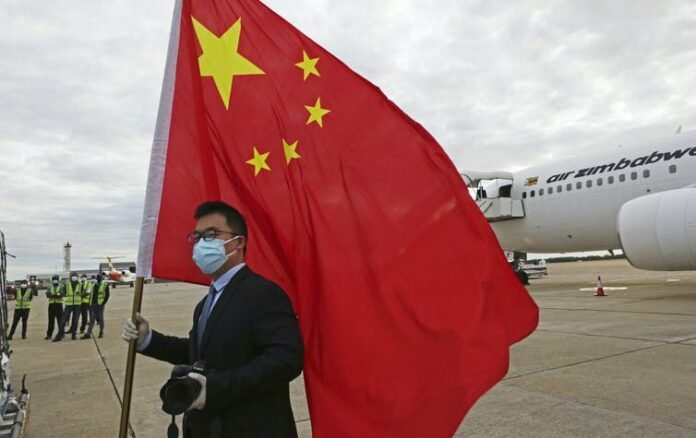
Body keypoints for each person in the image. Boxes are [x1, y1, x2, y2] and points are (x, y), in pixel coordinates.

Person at [122, 201, 304, 437]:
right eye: (196, 237)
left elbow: (286, 360)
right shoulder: (206, 303)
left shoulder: (263, 293)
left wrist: (215, 388)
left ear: (238, 242)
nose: (200, 244)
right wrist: (148, 340)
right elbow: (201, 352)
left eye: (211, 235)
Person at [54, 272, 82, 341]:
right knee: (63, 320)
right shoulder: (67, 284)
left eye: (75, 276)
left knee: (75, 321)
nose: (74, 277)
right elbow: (61, 291)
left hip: (77, 305)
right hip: (68, 305)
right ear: (70, 277)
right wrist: (62, 294)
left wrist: (82, 294)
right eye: (73, 276)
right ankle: (60, 335)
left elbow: (84, 292)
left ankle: (73, 335)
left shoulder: (80, 284)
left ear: (77, 277)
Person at [82, 274, 109, 339]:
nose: (98, 278)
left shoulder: (105, 284)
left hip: (100, 304)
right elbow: (90, 293)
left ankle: (101, 332)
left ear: (102, 278)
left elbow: (107, 295)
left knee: (101, 319)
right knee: (92, 319)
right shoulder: (93, 285)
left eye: (100, 277)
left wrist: (103, 303)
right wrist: (89, 302)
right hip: (93, 304)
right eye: (98, 277)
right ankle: (88, 333)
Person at [45, 274, 64, 340]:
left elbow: (62, 295)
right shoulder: (50, 287)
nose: (55, 281)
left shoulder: (61, 286)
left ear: (59, 280)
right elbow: (47, 295)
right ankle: (49, 335)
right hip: (51, 305)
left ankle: (61, 333)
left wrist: (53, 295)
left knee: (60, 321)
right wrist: (56, 295)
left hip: (59, 305)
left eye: (56, 279)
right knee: (51, 321)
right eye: (54, 279)